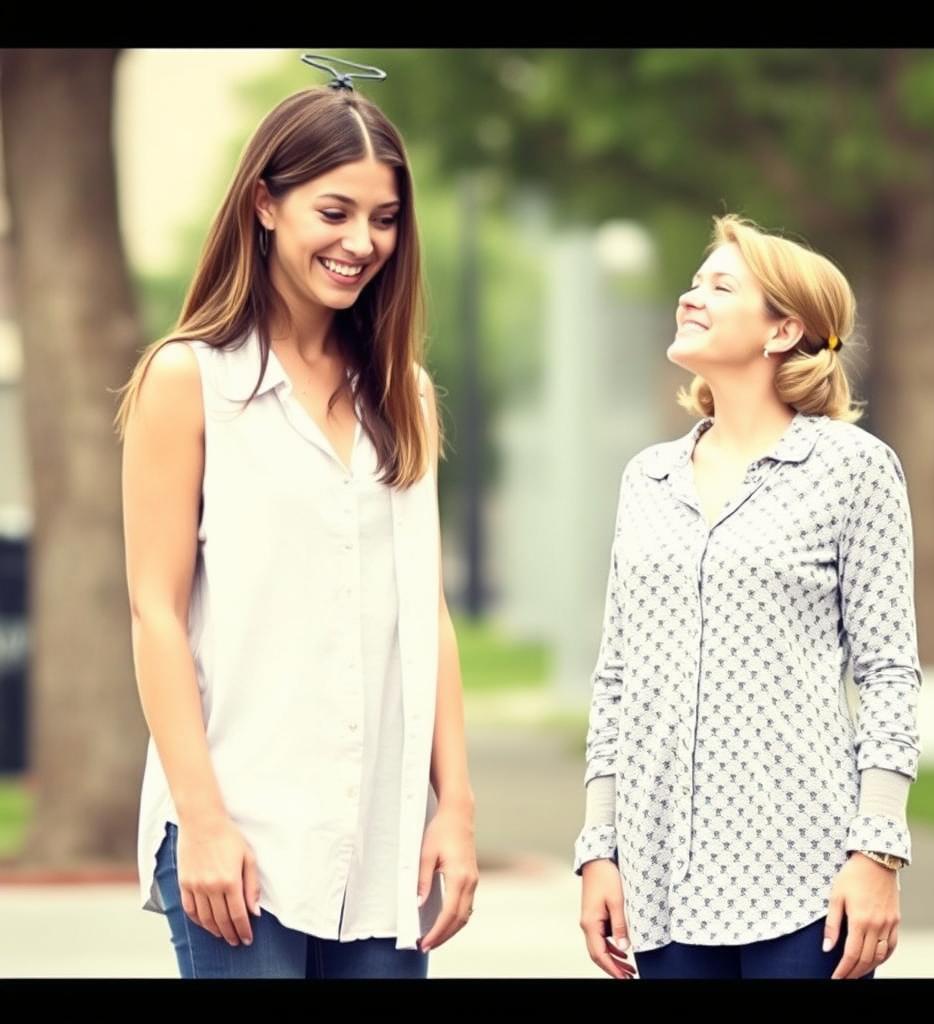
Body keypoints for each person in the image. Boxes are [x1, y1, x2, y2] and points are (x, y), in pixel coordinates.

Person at [114, 56, 478, 979]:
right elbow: (155, 612)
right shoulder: (189, 380)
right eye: (336, 211)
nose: (363, 241)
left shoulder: (407, 396)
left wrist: (456, 807)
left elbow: (422, 611)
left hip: (382, 848)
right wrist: (200, 820)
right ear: (266, 206)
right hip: (241, 838)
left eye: (385, 219)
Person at [574, 213, 922, 980]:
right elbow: (617, 680)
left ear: (781, 331)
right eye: (695, 282)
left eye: (720, 286)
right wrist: (600, 848)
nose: (690, 297)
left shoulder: (853, 470)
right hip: (660, 885)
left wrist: (878, 850)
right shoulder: (647, 480)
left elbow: (889, 672)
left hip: (805, 884)